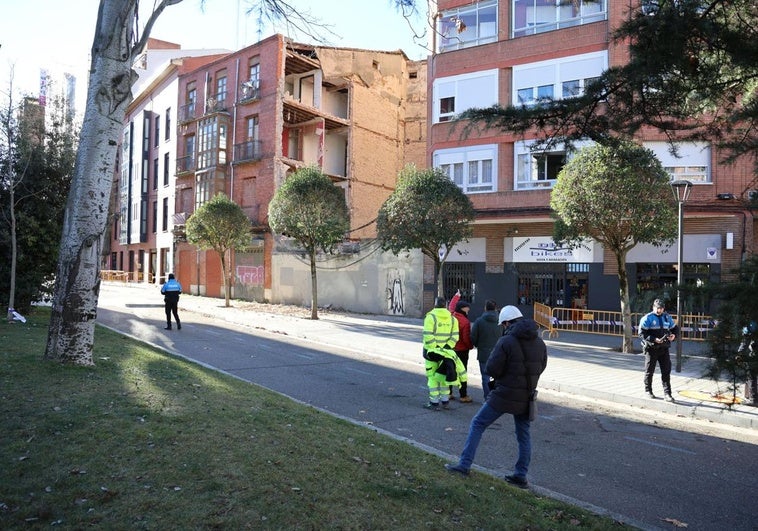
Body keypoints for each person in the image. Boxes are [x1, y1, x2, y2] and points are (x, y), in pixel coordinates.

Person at [444, 305, 548, 488]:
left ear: (507, 323)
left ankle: (464, 465)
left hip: (503, 394)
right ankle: (521, 475)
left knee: (478, 423)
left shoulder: (506, 341)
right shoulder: (539, 342)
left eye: (503, 325)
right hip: (527, 396)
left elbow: (492, 368)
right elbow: (541, 367)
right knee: (524, 435)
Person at [422, 296, 461, 410]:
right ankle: (445, 400)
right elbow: (455, 336)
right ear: (445, 305)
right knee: (444, 376)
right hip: (447, 353)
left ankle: (434, 402)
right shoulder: (453, 319)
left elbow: (428, 335)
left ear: (435, 304)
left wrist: (436, 349)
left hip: (432, 353)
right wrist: (446, 348)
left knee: (432, 377)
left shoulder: (430, 317)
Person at [638, 298, 678, 401]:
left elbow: (674, 328)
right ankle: (648, 390)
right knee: (649, 371)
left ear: (663, 309)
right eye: (657, 308)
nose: (659, 310)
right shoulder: (648, 318)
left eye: (661, 308)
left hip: (664, 348)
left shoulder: (667, 317)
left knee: (666, 371)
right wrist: (654, 339)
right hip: (651, 348)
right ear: (653, 307)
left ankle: (668, 394)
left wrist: (674, 335)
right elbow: (642, 333)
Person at [470, 299, 501, 400]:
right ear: (496, 308)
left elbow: (473, 336)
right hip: (499, 353)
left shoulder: (479, 321)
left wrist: (477, 344)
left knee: (485, 376)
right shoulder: (501, 321)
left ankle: (488, 398)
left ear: (485, 308)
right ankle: (497, 397)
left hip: (484, 352)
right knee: (498, 376)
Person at [448, 290, 473, 402]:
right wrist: (471, 346)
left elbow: (451, 306)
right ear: (463, 309)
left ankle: (449, 393)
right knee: (462, 372)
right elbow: (466, 338)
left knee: (451, 370)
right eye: (467, 308)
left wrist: (456, 296)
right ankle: (463, 395)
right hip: (462, 350)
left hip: (450, 349)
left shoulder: (451, 316)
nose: (469, 310)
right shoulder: (465, 322)